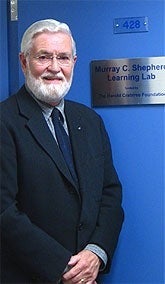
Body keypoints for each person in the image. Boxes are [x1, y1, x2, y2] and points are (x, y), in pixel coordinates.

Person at [0, 19, 124, 284]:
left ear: (74, 62)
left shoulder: (90, 121)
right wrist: (62, 267)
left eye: (63, 58)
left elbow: (110, 194)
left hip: (90, 275)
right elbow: (3, 210)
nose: (54, 68)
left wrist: (96, 252)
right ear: (23, 61)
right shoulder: (4, 121)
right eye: (43, 57)